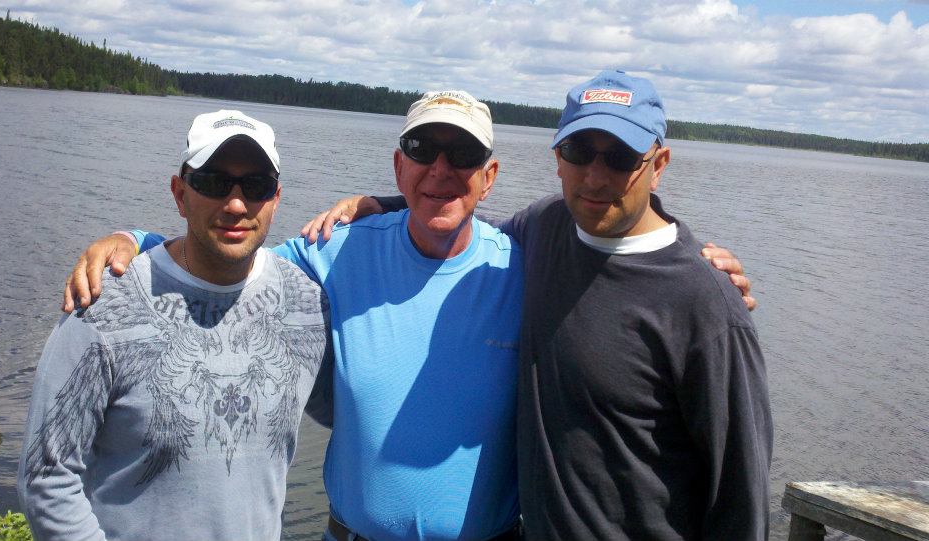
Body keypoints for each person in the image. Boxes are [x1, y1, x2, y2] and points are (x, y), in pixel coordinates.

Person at [61, 89, 754, 540]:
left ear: (491, 177)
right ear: (397, 167)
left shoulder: (528, 257)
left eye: (464, 157)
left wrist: (692, 263)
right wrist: (139, 242)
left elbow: (621, 248)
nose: (441, 170)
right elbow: (230, 258)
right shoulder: (335, 253)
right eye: (423, 152)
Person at [309, 70, 772, 540]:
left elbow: (741, 494)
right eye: (578, 152)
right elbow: (460, 225)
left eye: (620, 156)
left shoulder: (705, 302)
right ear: (557, 159)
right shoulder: (545, 229)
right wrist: (384, 204)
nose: (595, 175)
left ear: (659, 163)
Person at [18, 110, 332, 541]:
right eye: (213, 182)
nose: (236, 204)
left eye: (255, 186)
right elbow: (46, 476)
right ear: (179, 193)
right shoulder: (104, 304)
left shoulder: (308, 304)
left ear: (275, 198)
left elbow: (350, 411)